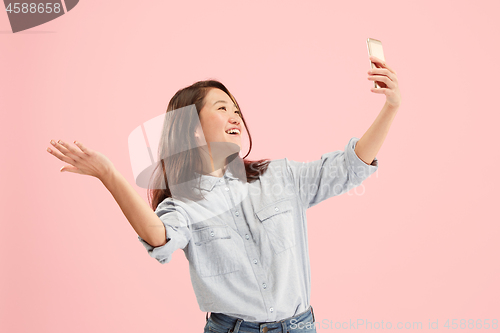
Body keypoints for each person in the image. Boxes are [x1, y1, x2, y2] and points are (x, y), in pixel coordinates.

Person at [46, 57, 401, 333]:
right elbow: (160, 238)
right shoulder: (184, 203)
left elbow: (348, 167)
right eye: (221, 108)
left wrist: (390, 107)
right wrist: (109, 175)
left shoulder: (281, 176)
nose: (235, 116)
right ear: (194, 130)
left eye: (236, 110)